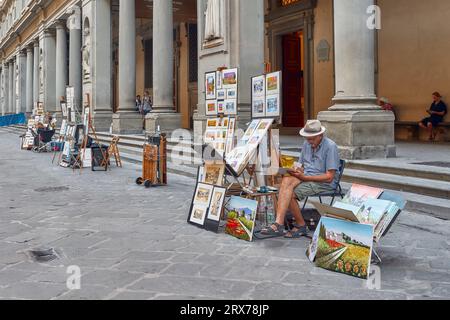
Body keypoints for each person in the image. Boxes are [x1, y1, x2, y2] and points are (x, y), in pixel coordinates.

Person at [261, 120, 341, 238]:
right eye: (307, 138)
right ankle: (279, 223)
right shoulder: (306, 144)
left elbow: (329, 177)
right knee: (285, 182)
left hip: (323, 182)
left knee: (289, 193)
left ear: (320, 135)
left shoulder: (330, 146)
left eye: (312, 139)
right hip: (307, 176)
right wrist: (294, 169)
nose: (309, 141)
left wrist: (305, 177)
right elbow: (301, 164)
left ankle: (300, 225)